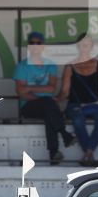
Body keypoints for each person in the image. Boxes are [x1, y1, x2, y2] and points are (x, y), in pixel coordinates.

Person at [15, 31, 73, 165]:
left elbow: (51, 88)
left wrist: (29, 88)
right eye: (32, 43)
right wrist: (40, 95)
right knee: (48, 104)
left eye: (38, 43)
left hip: (48, 107)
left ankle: (54, 153)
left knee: (49, 114)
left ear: (43, 46)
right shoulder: (22, 66)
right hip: (28, 106)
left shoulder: (50, 64)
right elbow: (21, 92)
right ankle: (65, 134)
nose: (35, 45)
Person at [58, 33, 98, 167]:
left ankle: (88, 153)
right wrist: (55, 100)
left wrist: (95, 94)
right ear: (78, 46)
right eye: (82, 44)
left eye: (87, 44)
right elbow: (64, 92)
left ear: (92, 46)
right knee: (77, 119)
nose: (84, 47)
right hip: (75, 105)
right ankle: (89, 153)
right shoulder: (70, 66)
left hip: (94, 105)